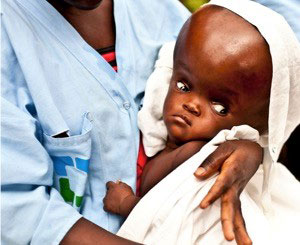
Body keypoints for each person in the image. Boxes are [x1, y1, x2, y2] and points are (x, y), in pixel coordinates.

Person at [1, 0, 265, 244]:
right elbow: (18, 211)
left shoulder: (161, 12)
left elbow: (247, 100)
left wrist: (248, 146)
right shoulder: (9, 36)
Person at [103, 0, 300, 244]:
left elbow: (170, 219)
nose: (192, 105)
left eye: (219, 107)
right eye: (183, 86)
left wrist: (126, 203)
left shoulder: (202, 157)